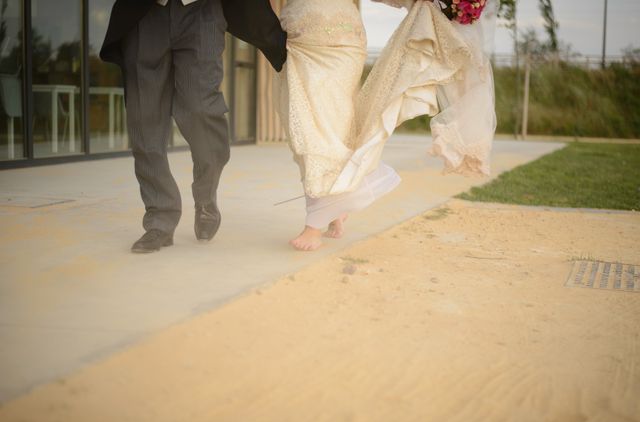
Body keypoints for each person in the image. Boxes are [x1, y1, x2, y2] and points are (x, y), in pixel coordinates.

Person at [276, 0, 496, 251]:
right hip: (295, 39)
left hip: (340, 39)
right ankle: (334, 208)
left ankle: (314, 223)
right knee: (304, 128)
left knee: (318, 129)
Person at [100, 0, 287, 253]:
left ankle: (206, 196)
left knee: (201, 109)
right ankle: (160, 219)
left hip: (202, 12)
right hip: (145, 13)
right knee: (143, 119)